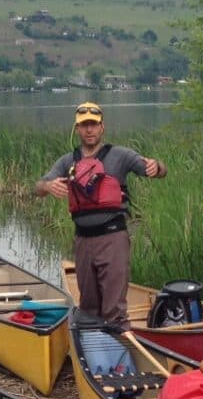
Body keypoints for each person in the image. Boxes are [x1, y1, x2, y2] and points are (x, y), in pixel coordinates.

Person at [34, 101, 166, 330]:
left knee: (114, 309)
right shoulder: (68, 161)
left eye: (93, 124)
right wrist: (47, 187)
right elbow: (37, 187)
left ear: (102, 127)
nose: (89, 130)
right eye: (84, 125)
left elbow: (158, 170)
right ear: (77, 129)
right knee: (88, 308)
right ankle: (92, 354)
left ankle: (120, 359)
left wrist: (158, 167)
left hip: (113, 239)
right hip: (83, 241)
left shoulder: (121, 155)